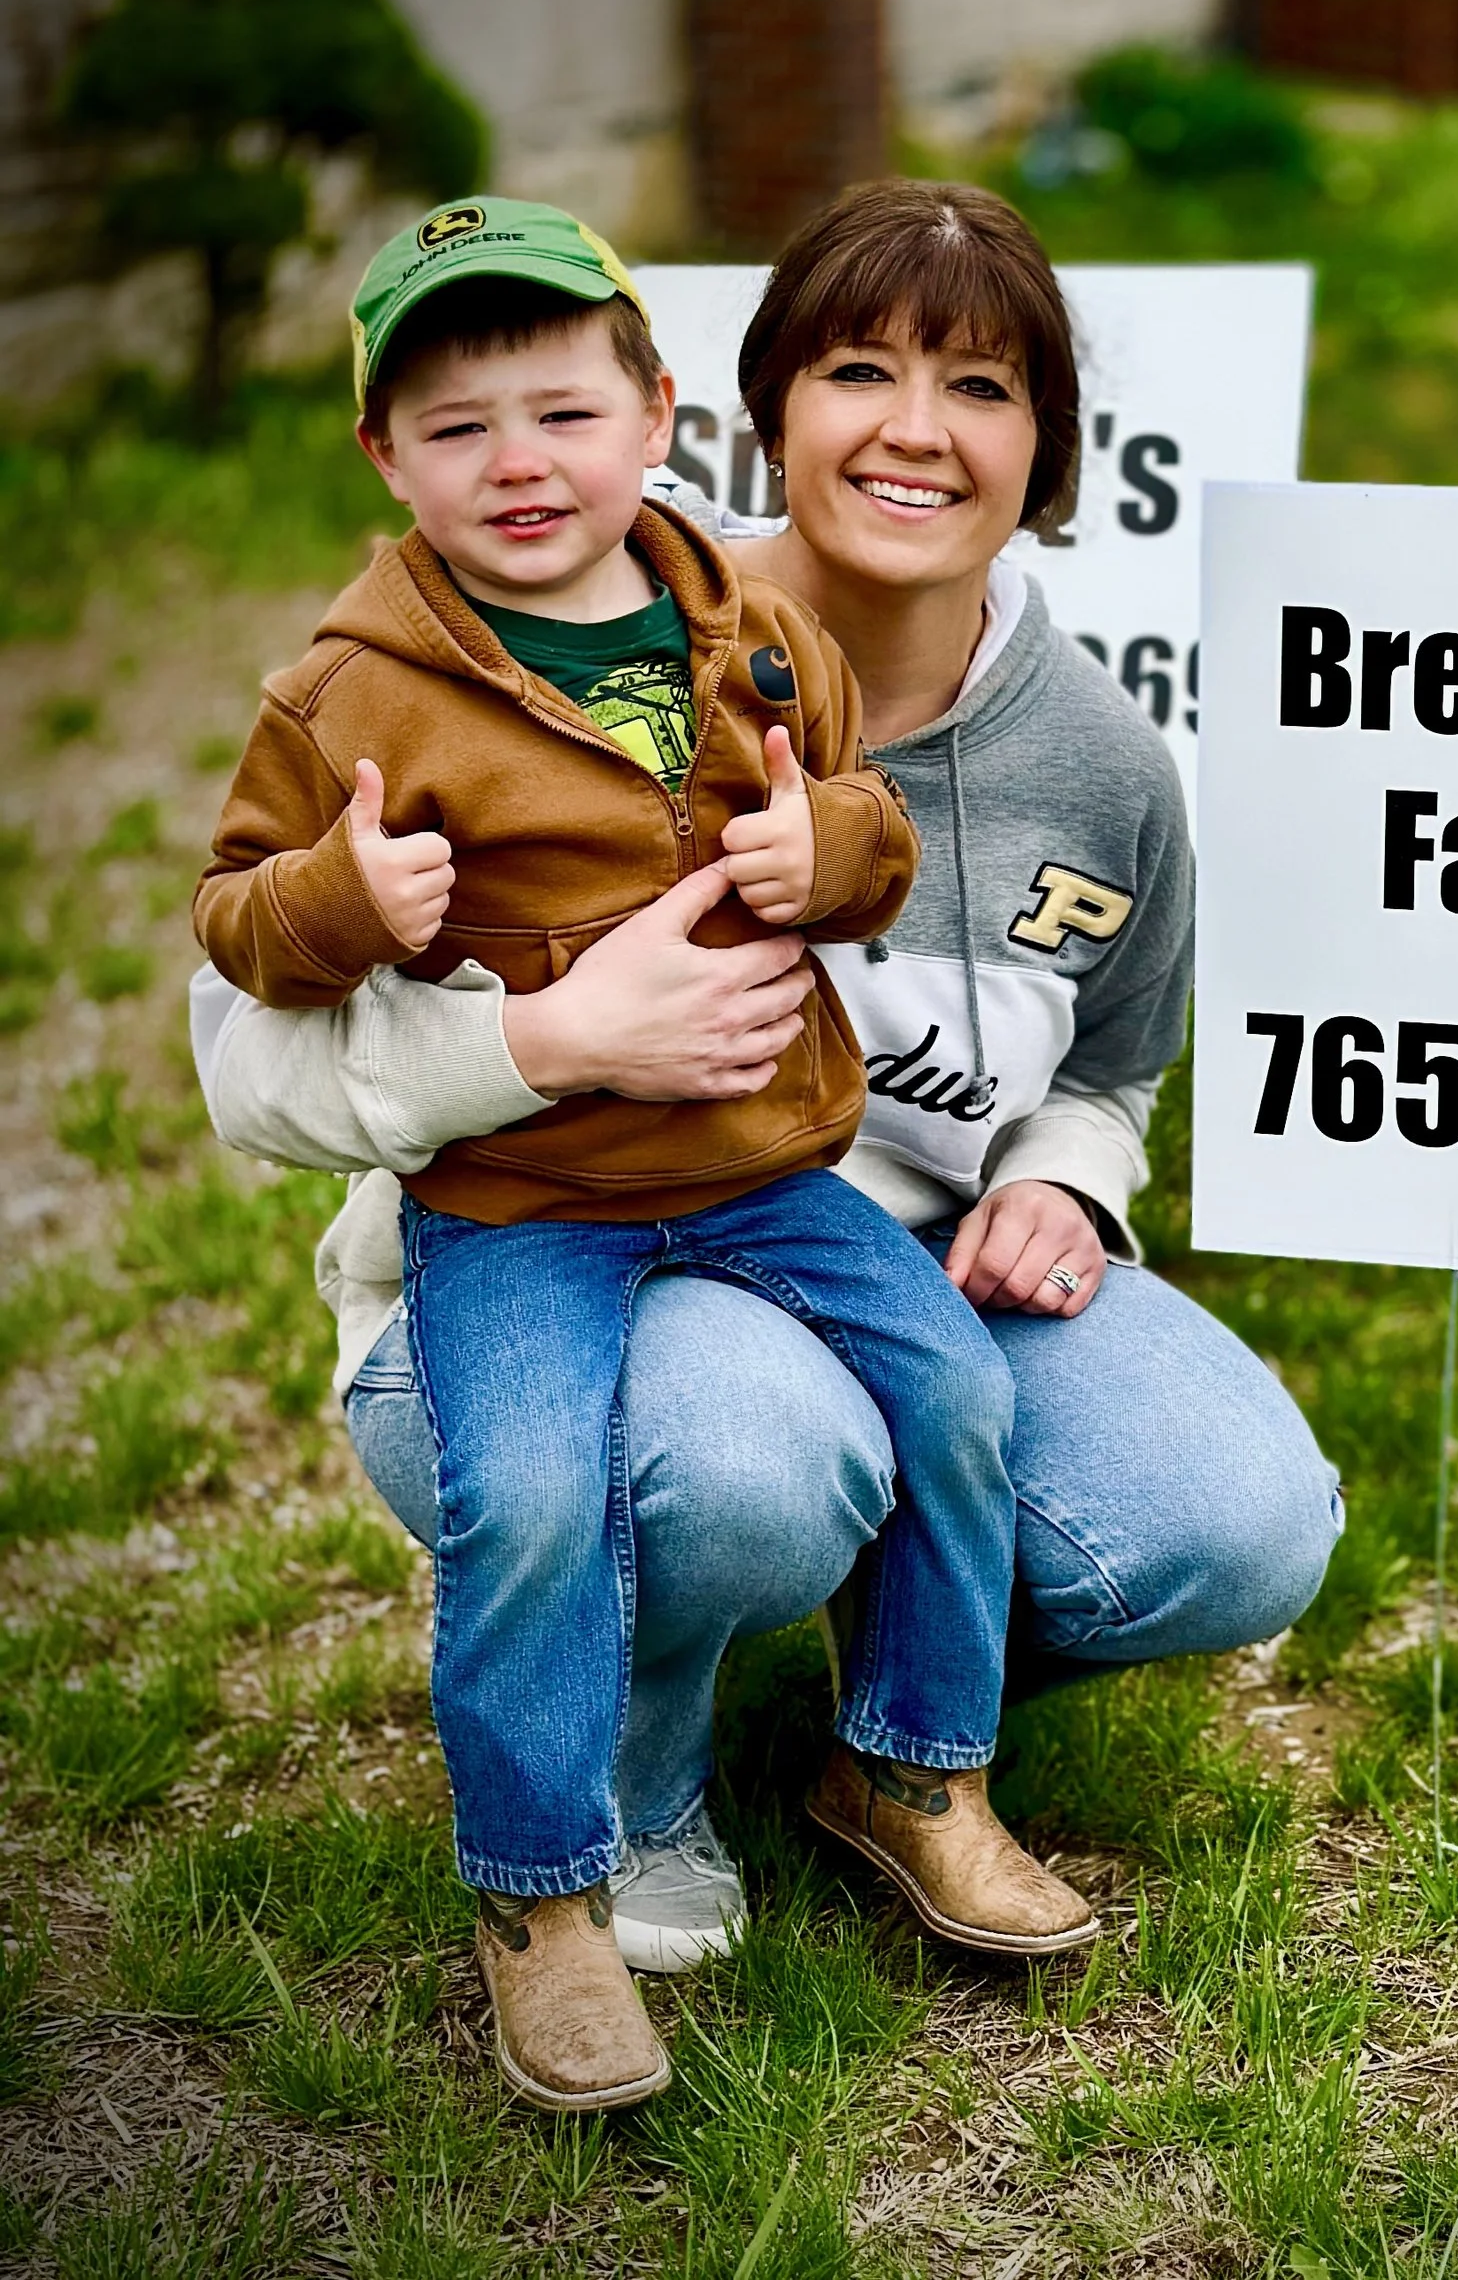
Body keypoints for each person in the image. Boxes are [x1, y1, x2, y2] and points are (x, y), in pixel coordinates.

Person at [187, 174, 1342, 2012]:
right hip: (546, 1235)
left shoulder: (1100, 762)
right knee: (745, 1460)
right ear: (749, 411)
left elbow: (1118, 1053)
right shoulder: (554, 618)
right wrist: (550, 1042)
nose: (912, 429)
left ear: (1047, 445)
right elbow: (241, 1047)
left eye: (980, 389)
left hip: (854, 1237)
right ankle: (615, 1797)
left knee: (1235, 1514)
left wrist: (1064, 1169)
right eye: (858, 369)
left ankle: (888, 1743)